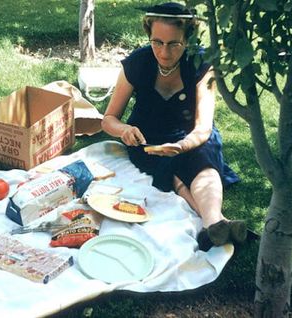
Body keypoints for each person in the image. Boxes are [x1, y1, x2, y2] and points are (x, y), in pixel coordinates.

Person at [101, 2, 247, 251]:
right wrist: (124, 130)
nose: (164, 52)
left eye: (173, 44)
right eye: (157, 42)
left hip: (191, 136)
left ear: (187, 39)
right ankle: (217, 223)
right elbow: (109, 119)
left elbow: (203, 127)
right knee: (175, 171)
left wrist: (181, 146)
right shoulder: (136, 64)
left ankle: (213, 222)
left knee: (203, 160)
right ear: (149, 36)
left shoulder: (202, 64)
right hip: (148, 138)